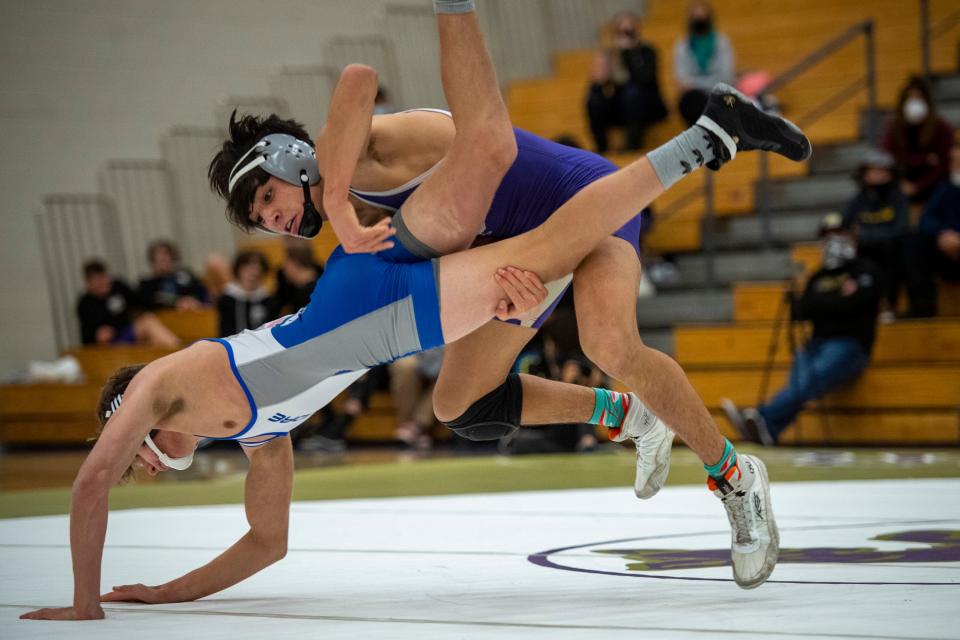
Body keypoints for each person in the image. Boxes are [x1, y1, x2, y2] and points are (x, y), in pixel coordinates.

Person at [21, 3, 811, 620]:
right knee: (459, 403)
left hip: (570, 198)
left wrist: (333, 190)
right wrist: (166, 593)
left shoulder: (343, 160)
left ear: (293, 163)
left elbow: (362, 77)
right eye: (262, 218)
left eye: (269, 198)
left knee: (606, 330)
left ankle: (735, 477)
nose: (277, 220)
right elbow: (267, 541)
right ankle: (631, 418)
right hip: (492, 253)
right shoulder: (265, 430)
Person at [722, 214, 882, 445]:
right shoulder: (818, 275)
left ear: (852, 236)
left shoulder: (866, 270)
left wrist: (823, 302)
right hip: (816, 344)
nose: (832, 241)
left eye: (838, 234)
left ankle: (761, 418)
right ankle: (766, 431)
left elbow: (856, 304)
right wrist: (837, 299)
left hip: (851, 345)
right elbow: (801, 312)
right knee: (801, 381)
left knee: (807, 379)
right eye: (827, 237)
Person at [841, 149, 910, 322]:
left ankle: (889, 304)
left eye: (882, 171)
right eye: (873, 171)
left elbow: (901, 229)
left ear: (890, 174)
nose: (877, 175)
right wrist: (863, 237)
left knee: (895, 250)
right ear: (864, 174)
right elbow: (846, 228)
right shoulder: (857, 200)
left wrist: (866, 234)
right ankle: (858, 306)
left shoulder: (897, 197)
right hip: (864, 251)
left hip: (891, 251)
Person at [585, 11, 667, 153]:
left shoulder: (647, 52)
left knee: (632, 93)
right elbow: (598, 89)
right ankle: (602, 148)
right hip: (620, 108)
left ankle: (633, 147)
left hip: (646, 106)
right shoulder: (609, 54)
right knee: (594, 101)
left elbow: (646, 80)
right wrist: (599, 79)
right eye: (620, 32)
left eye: (628, 32)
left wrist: (628, 54)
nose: (624, 36)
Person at [905, 130, 960, 317]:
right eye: (954, 157)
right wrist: (943, 233)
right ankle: (922, 310)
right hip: (947, 253)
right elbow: (926, 219)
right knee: (913, 241)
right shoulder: (946, 188)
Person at [881, 76, 954, 206]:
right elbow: (887, 159)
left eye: (919, 98)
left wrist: (918, 186)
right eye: (910, 98)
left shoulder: (941, 127)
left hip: (933, 185)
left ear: (927, 101)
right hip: (901, 183)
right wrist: (924, 159)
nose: (914, 102)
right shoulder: (894, 127)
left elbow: (944, 164)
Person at [77, 259, 179, 348]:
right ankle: (181, 354)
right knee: (148, 324)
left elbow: (141, 301)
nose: (103, 283)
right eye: (97, 282)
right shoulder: (85, 304)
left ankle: (178, 356)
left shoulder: (118, 287)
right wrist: (97, 335)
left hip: (128, 334)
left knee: (151, 328)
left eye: (104, 278)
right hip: (109, 345)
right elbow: (86, 337)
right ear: (89, 283)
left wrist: (173, 303)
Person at [673, 0, 735, 126]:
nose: (699, 20)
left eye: (703, 16)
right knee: (692, 100)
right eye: (696, 17)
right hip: (694, 99)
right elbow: (681, 80)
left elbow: (726, 77)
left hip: (717, 94)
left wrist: (696, 85)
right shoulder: (682, 46)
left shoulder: (722, 43)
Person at [137, 239, 210, 310]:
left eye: (165, 257)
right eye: (158, 259)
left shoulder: (186, 276)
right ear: (152, 263)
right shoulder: (146, 285)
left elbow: (203, 294)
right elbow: (147, 303)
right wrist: (176, 303)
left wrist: (194, 301)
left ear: (173, 259)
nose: (162, 262)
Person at [217, 250, 273, 336]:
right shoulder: (227, 298)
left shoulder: (267, 299)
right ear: (238, 269)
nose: (252, 273)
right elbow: (224, 329)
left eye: (257, 269)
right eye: (247, 268)